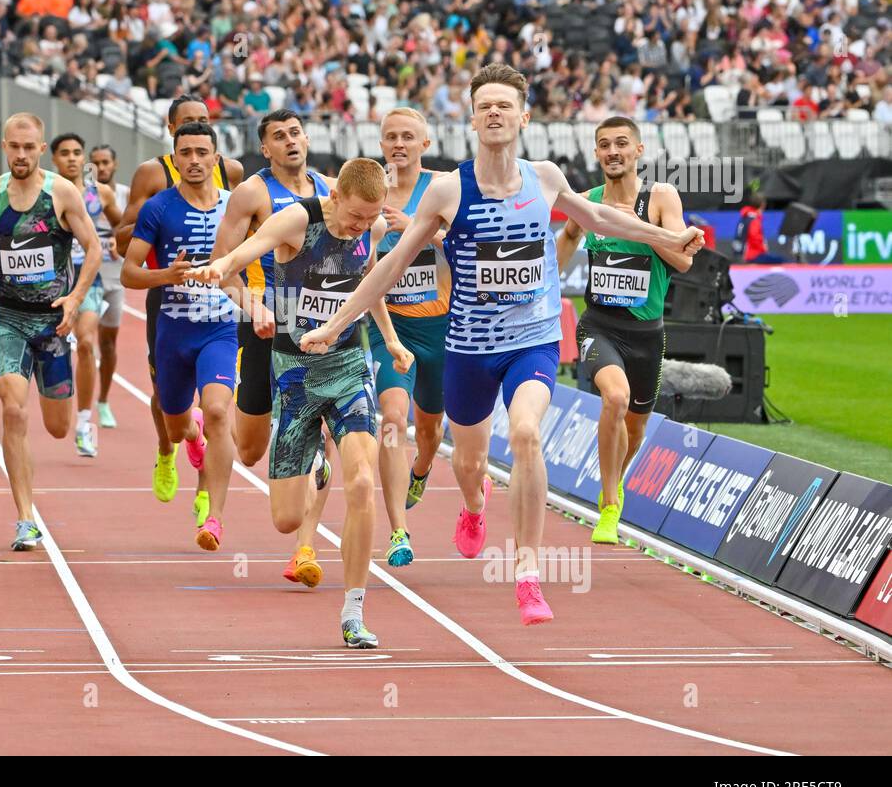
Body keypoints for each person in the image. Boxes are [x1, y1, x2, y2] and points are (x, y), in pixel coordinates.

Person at [299, 64, 703, 626]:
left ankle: (529, 575)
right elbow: (389, 265)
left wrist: (667, 236)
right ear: (471, 118)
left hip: (532, 342)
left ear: (523, 117)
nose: (494, 113)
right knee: (468, 463)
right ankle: (471, 506)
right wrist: (335, 322)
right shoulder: (449, 189)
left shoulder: (546, 178)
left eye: (504, 105)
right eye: (484, 105)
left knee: (527, 433)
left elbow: (605, 220)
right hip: (469, 346)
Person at [191, 158, 414, 649]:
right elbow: (252, 247)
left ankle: (354, 610)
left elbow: (370, 282)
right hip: (293, 373)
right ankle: (310, 453)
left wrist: (392, 340)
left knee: (361, 480)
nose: (361, 227)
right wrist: (222, 266)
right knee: (286, 519)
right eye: (355, 218)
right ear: (335, 199)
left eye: (370, 218)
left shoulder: (371, 227)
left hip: (348, 366)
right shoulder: (298, 218)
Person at [209, 108, 335, 586]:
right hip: (265, 325)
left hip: (317, 331)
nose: (290, 142)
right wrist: (253, 306)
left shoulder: (329, 189)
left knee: (319, 434)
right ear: (265, 148)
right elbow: (225, 262)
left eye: (296, 133)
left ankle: (305, 547)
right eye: (279, 137)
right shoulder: (252, 193)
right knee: (249, 450)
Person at [555, 117, 693, 544]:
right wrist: (540, 286)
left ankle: (610, 480)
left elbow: (683, 262)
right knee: (614, 397)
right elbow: (568, 238)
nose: (612, 151)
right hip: (599, 325)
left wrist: (632, 226)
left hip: (647, 334)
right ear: (596, 154)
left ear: (638, 150)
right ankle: (610, 503)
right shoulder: (586, 201)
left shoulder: (660, 197)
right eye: (603, 145)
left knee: (634, 430)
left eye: (621, 144)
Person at [0, 113, 103, 551]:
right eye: (14, 147)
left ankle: (67, 416)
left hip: (51, 322)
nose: (21, 155)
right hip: (9, 318)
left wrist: (75, 297)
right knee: (13, 410)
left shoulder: (61, 193)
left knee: (57, 427)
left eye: (30, 148)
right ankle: (25, 518)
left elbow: (94, 247)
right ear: (4, 147)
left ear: (41, 149)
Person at [115, 95, 245, 524]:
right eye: (185, 152)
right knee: (176, 424)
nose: (193, 160)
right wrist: (166, 276)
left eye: (201, 152)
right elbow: (129, 273)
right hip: (172, 328)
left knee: (217, 410)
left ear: (216, 157)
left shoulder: (239, 202)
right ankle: (181, 443)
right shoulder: (158, 207)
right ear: (174, 154)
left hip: (221, 327)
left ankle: (213, 511)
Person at [372, 109, 452, 567]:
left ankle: (421, 469)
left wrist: (419, 229)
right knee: (391, 420)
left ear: (425, 142)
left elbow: (466, 244)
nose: (398, 144)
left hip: (439, 326)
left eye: (408, 137)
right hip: (391, 327)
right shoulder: (369, 189)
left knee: (429, 430)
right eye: (390, 137)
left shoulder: (443, 188)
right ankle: (399, 531)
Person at [50, 132, 119, 457]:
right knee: (53, 349)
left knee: (88, 343)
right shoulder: (46, 191)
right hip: (50, 282)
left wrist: (122, 241)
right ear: (54, 159)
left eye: (77, 152)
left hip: (88, 280)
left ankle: (84, 423)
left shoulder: (99, 193)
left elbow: (127, 225)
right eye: (65, 153)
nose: (72, 158)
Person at [89, 143, 130, 429]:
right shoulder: (81, 195)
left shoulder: (127, 195)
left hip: (115, 279)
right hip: (86, 279)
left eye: (106, 162)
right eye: (96, 163)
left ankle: (103, 401)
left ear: (114, 164)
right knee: (80, 341)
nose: (101, 167)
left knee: (107, 344)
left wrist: (122, 244)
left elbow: (136, 235)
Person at [733, 191, 781, 263]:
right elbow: (754, 237)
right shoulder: (754, 219)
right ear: (763, 204)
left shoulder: (745, 217)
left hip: (742, 254)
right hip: (753, 255)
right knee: (783, 261)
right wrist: (763, 248)